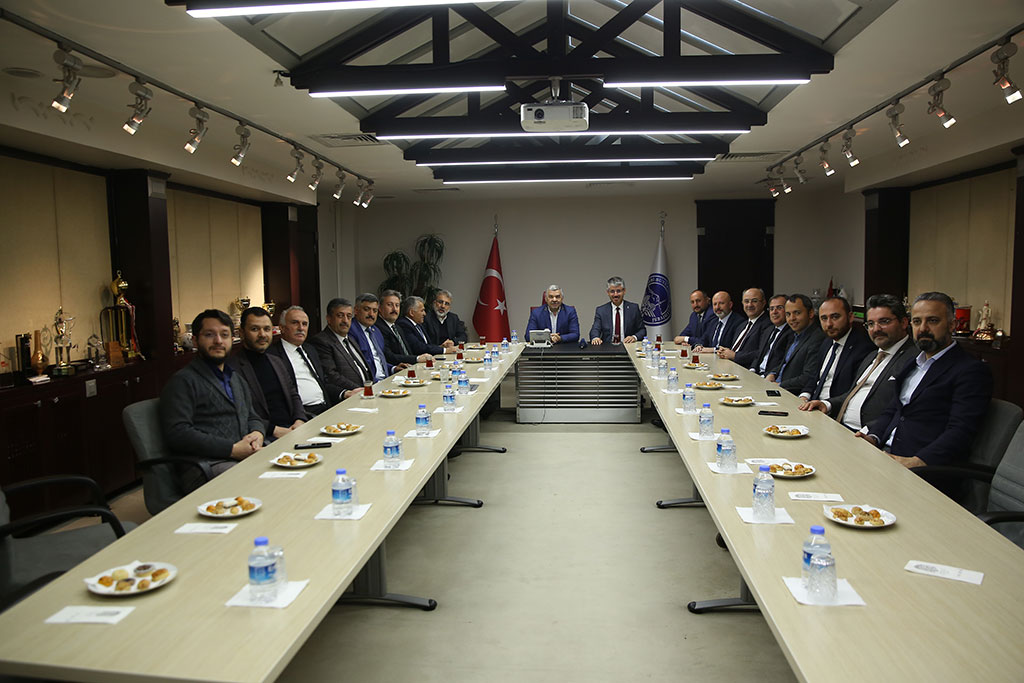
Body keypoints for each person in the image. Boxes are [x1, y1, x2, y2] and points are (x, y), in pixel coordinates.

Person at [858, 292, 992, 470]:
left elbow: (961, 431)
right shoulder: (913, 363)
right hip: (886, 455)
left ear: (952, 325)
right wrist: (872, 437)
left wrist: (917, 461)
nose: (923, 329)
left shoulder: (970, 370)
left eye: (933, 321)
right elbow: (894, 410)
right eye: (916, 321)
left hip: (924, 467)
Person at [159, 309, 263, 491]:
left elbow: (252, 416)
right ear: (195, 341)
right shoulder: (183, 381)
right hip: (206, 466)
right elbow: (178, 433)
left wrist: (257, 434)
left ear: (232, 339)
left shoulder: (235, 378)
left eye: (224, 335)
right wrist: (232, 449)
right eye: (209, 335)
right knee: (262, 483)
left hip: (242, 456)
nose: (218, 341)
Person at [800, 294, 916, 430]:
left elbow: (902, 410)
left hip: (866, 434)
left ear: (904, 323)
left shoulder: (914, 358)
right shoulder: (872, 356)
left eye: (884, 321)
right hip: (840, 426)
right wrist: (827, 404)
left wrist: (872, 433)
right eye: (871, 324)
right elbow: (851, 394)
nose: (876, 329)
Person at [227, 307, 305, 442]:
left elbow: (293, 395)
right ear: (241, 333)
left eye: (267, 329)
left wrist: (299, 420)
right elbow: (241, 413)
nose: (262, 334)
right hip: (264, 436)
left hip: (293, 428)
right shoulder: (232, 368)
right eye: (255, 329)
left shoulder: (276, 361)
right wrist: (275, 430)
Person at [797, 296, 874, 402]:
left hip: (834, 407)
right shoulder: (827, 342)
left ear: (850, 317)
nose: (829, 324)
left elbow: (854, 391)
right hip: (812, 403)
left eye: (835, 317)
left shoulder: (863, 348)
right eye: (824, 318)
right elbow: (816, 376)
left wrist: (826, 404)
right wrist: (805, 395)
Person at [268, 305, 334, 418]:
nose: (301, 328)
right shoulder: (272, 355)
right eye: (295, 323)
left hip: (325, 408)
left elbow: (323, 382)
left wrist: (344, 393)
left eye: (304, 324)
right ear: (282, 328)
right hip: (301, 413)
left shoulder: (310, 349)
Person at [308, 298, 374, 400]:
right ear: (329, 318)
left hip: (367, 393)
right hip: (349, 398)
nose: (345, 321)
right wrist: (362, 390)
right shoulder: (321, 341)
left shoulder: (350, 339)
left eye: (349, 316)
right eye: (340, 316)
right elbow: (331, 376)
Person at [765, 294, 825, 394]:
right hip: (777, 388)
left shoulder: (817, 339)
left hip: (791, 393)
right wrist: (773, 373)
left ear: (811, 313)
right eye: (788, 314)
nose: (792, 318)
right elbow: (785, 363)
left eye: (797, 313)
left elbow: (808, 377)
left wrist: (780, 385)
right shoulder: (794, 335)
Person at [375, 289, 432, 366]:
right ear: (380, 308)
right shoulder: (377, 328)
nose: (394, 309)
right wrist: (417, 359)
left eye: (397, 305)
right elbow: (389, 356)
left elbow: (408, 351)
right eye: (390, 305)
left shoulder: (397, 327)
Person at [716, 288, 772, 367]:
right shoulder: (742, 325)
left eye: (754, 301)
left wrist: (735, 356)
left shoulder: (768, 325)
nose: (750, 305)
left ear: (763, 303)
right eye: (746, 301)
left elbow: (762, 353)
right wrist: (724, 352)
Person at [347, 293, 394, 381]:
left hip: (385, 380)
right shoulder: (351, 330)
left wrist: (393, 368)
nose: (371, 314)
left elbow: (377, 361)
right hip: (370, 382)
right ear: (356, 310)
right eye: (366, 309)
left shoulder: (376, 331)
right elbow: (360, 365)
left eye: (375, 311)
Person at [589, 276, 645, 345]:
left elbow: (642, 330)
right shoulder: (601, 310)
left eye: (618, 291)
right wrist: (595, 337)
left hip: (628, 347)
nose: (615, 294)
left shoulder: (633, 309)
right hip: (608, 348)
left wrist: (634, 337)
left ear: (624, 291)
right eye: (612, 291)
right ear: (608, 292)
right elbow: (595, 329)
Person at [750, 294, 793, 375]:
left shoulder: (791, 333)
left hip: (771, 377)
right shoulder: (768, 330)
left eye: (779, 308)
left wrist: (766, 376)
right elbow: (759, 355)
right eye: (771, 309)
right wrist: (752, 369)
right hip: (756, 374)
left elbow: (784, 362)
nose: (774, 312)